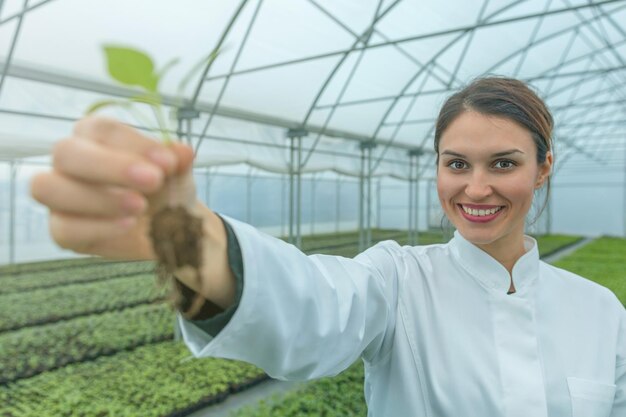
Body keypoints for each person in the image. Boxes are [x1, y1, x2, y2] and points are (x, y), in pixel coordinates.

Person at [31, 76, 624, 417]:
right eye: (456, 164)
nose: (476, 187)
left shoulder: (600, 312)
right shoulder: (398, 279)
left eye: (504, 163)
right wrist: (189, 237)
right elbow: (311, 305)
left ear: (543, 169)